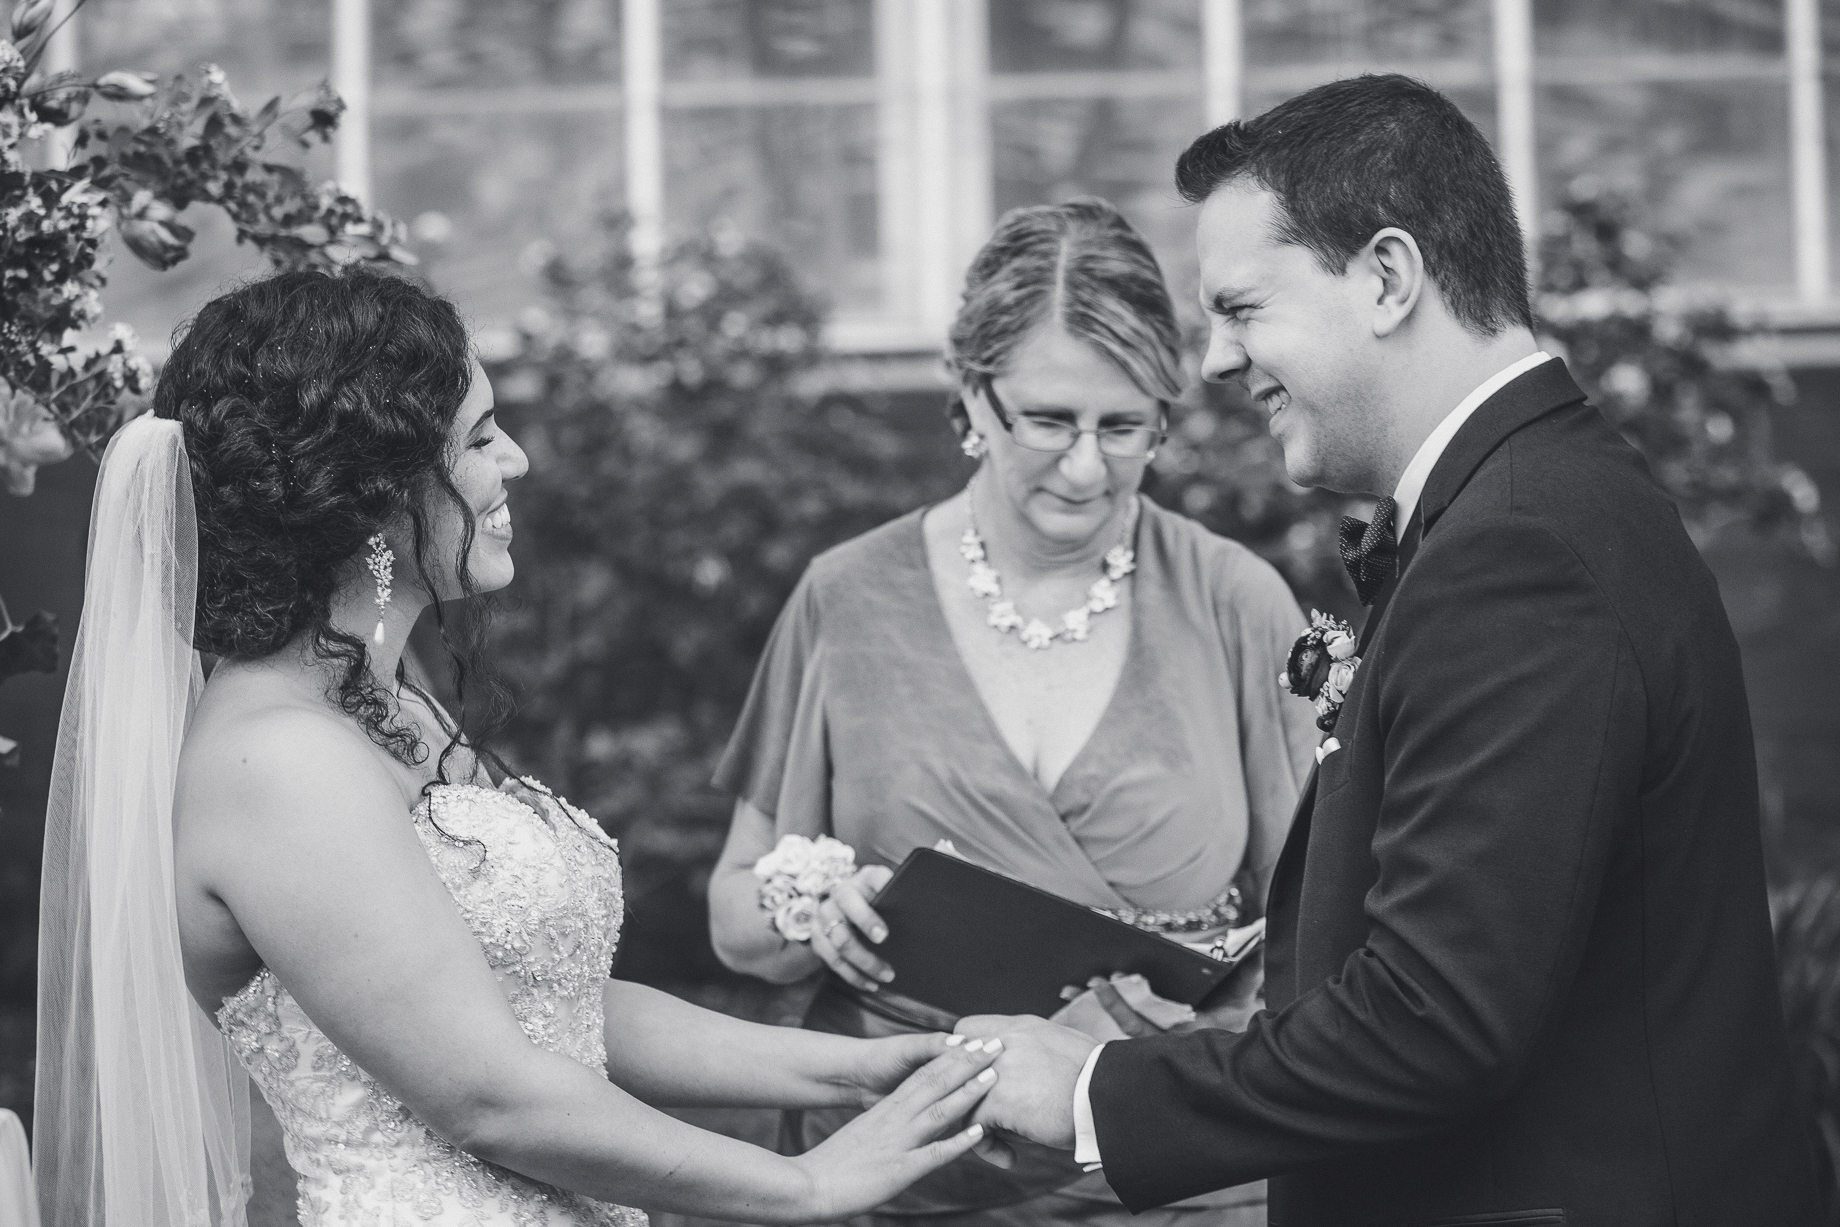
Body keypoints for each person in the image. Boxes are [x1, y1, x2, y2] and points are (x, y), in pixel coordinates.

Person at [954, 74, 1821, 1227]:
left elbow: (1435, 1016)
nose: (1215, 361)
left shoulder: (1520, 546)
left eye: (1241, 308)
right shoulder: (1533, 499)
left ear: (1386, 277)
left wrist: (1094, 1093)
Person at [33, 269, 1006, 1227]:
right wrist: (806, 1184)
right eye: (481, 437)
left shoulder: (380, 698)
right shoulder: (279, 761)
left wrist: (859, 1070)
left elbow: (557, 1009)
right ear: (372, 492)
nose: (519, 460)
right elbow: (488, 1096)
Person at [707, 197, 1320, 1227]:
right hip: (902, 1168)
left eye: (1124, 428)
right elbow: (734, 913)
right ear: (971, 396)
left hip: (1172, 1175)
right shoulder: (846, 598)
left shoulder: (1235, 602)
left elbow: (1316, 926)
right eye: (1048, 421)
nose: (1085, 468)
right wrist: (813, 914)